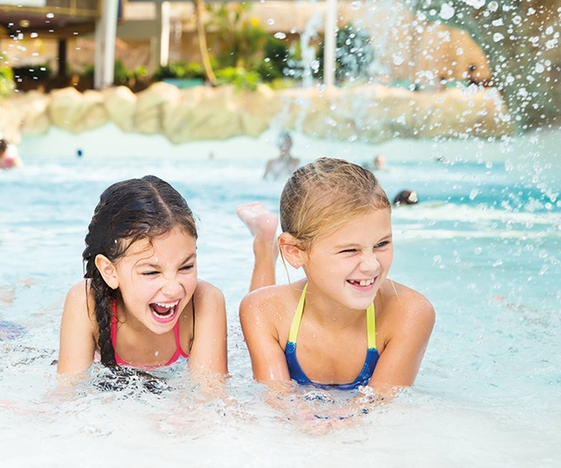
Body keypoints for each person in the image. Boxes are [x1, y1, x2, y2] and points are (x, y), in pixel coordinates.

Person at [239, 158, 434, 403]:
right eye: (350, 250)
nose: (372, 265)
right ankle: (264, 244)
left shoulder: (410, 312)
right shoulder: (261, 310)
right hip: (276, 307)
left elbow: (380, 409)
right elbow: (277, 403)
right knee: (261, 307)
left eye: (381, 243)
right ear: (294, 251)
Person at [57, 175, 227, 383]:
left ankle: (262, 248)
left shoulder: (205, 301)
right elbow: (67, 396)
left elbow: (210, 397)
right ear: (110, 272)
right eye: (151, 272)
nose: (173, 289)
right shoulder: (85, 301)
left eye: (186, 267)